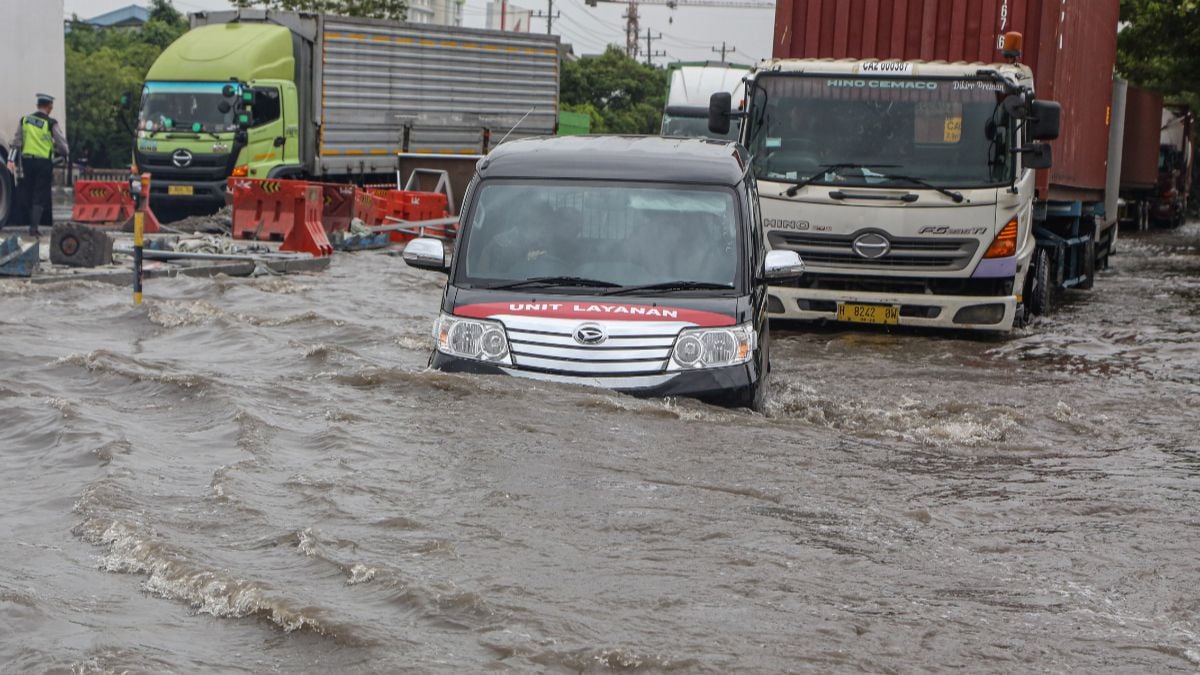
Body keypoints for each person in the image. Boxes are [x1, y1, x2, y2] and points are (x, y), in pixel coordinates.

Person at [7, 93, 70, 236]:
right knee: (39, 193)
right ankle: (34, 228)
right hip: (44, 163)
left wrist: (11, 160)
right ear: (49, 107)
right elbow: (63, 146)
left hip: (27, 161)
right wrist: (62, 152)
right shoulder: (50, 123)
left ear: (37, 106)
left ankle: (29, 222)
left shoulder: (25, 120)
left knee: (29, 191)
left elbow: (16, 142)